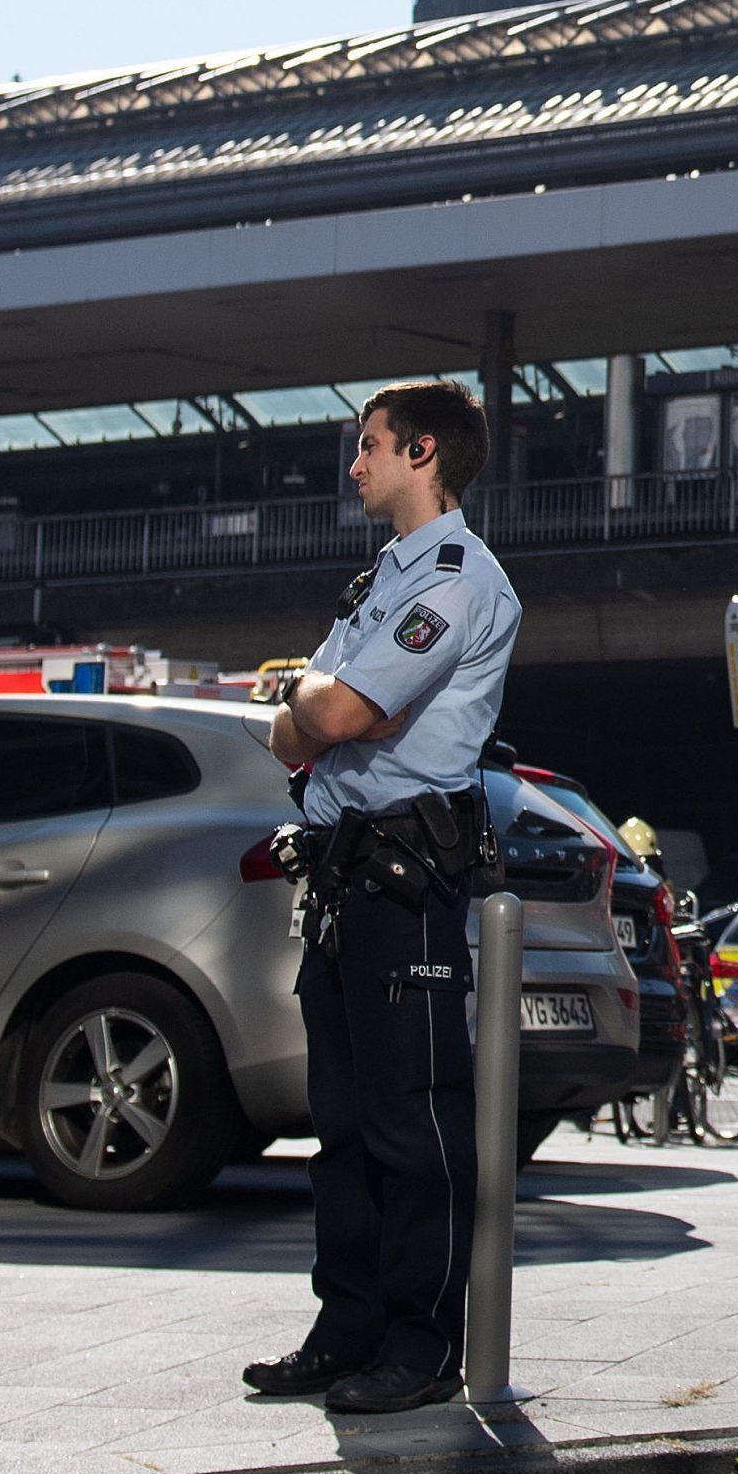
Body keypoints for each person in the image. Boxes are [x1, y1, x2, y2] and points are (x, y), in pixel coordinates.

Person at [238, 380, 520, 1416]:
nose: (354, 465)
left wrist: (312, 705)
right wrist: (309, 709)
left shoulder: (454, 578)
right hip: (345, 878)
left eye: (368, 447)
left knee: (414, 1128)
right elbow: (288, 730)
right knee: (344, 1129)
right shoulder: (378, 584)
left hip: (405, 882)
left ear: (423, 451)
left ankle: (421, 1343)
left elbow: (341, 707)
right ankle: (347, 1328)